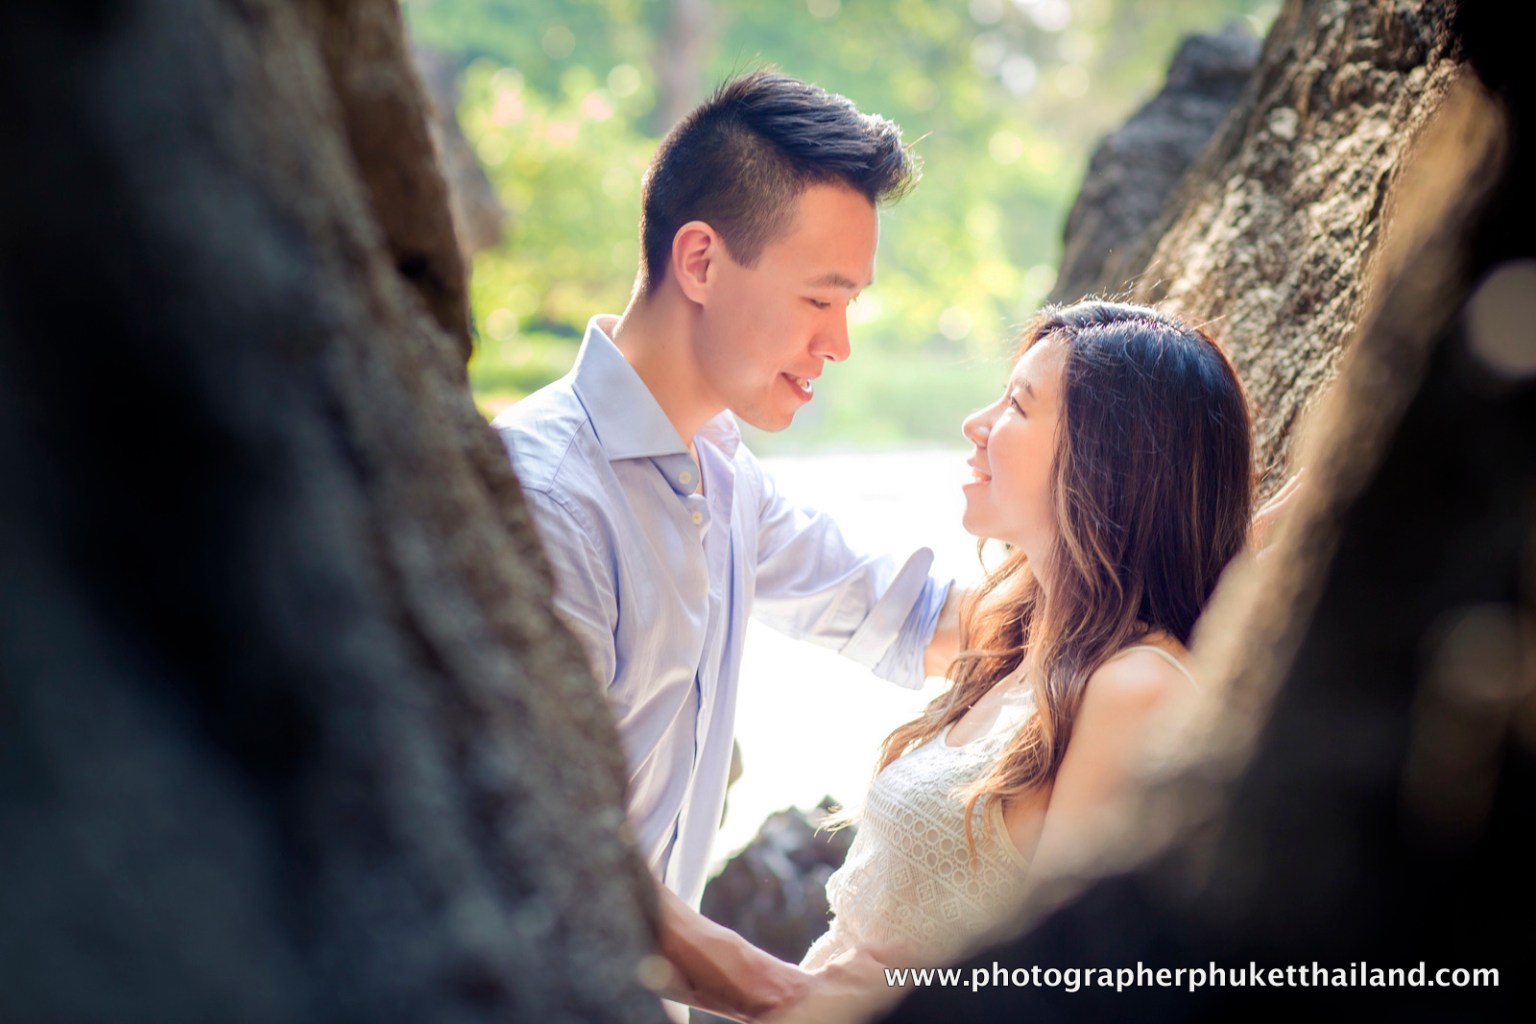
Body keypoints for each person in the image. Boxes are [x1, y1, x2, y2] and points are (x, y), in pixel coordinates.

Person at [492, 70, 957, 1021]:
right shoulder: (545, 501)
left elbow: (916, 617)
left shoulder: (722, 475)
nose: (840, 344)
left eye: (850, 305)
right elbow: (541, 842)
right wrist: (796, 995)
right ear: (699, 262)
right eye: (820, 299)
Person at [791, 300, 1256, 1007]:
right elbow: (816, 576)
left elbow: (1073, 993)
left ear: (1109, 457)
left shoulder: (1137, 690)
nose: (975, 425)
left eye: (1016, 404)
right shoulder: (1021, 642)